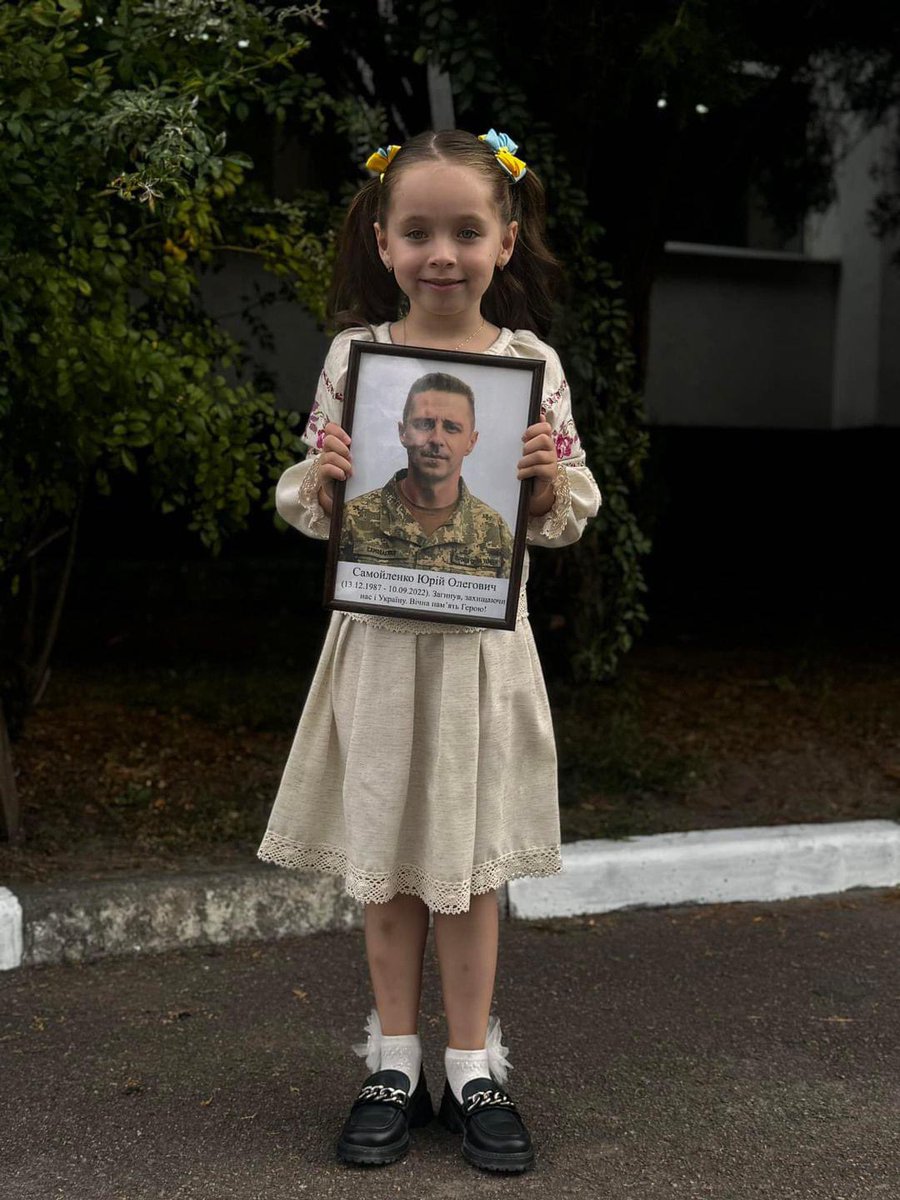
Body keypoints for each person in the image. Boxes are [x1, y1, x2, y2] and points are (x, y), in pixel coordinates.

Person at [258, 128, 601, 1173]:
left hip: (479, 665)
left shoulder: (529, 368)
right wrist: (322, 481)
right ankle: (393, 1061)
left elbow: (573, 510)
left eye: (465, 229)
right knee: (388, 866)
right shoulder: (355, 361)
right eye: (418, 231)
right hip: (379, 650)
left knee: (467, 870)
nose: (440, 252)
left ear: (506, 241)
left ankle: (472, 1065)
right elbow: (307, 497)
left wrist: (543, 482)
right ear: (382, 236)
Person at [340, 370, 514, 577]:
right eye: (424, 424)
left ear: (471, 442)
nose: (436, 439)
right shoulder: (352, 518)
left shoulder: (495, 531)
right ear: (402, 433)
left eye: (451, 428)